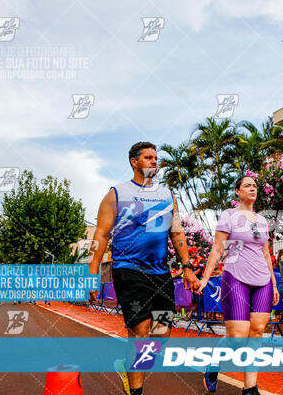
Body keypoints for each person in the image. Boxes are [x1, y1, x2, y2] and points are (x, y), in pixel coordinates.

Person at [88, 141, 201, 395]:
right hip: (128, 268)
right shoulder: (117, 193)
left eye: (155, 158)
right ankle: (137, 391)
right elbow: (101, 235)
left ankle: (128, 366)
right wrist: (92, 274)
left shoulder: (166, 194)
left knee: (163, 330)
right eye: (148, 157)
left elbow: (177, 232)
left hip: (159, 272)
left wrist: (187, 267)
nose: (154, 161)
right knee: (140, 329)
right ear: (134, 162)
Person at [199, 175, 279, 395]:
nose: (252, 189)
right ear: (237, 191)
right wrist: (205, 278)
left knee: (257, 332)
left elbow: (266, 253)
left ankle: (250, 388)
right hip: (236, 278)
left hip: (262, 281)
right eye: (247, 186)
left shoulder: (262, 221)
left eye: (255, 186)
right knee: (237, 339)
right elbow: (217, 249)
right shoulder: (230, 215)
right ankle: (214, 363)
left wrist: (273, 284)